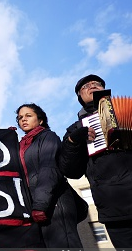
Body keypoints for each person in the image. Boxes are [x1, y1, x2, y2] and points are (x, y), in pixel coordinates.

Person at [59, 74, 132, 248]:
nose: (91, 86)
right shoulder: (75, 130)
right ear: (80, 98)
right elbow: (71, 171)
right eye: (85, 86)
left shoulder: (127, 110)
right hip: (114, 205)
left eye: (95, 83)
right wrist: (73, 142)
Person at [14, 103, 83, 248]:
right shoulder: (22, 145)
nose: (23, 120)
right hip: (35, 206)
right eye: (20, 117)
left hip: (54, 203)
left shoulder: (48, 137)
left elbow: (49, 169)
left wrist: (40, 205)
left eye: (28, 115)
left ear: (40, 120)